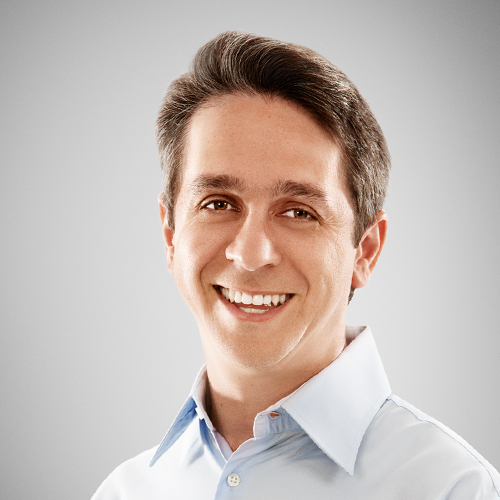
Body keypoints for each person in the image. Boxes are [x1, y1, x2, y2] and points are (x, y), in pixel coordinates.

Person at [92, 31, 500, 499]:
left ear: (364, 251)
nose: (250, 255)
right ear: (171, 235)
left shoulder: (454, 489)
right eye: (218, 203)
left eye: (299, 212)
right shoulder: (124, 491)